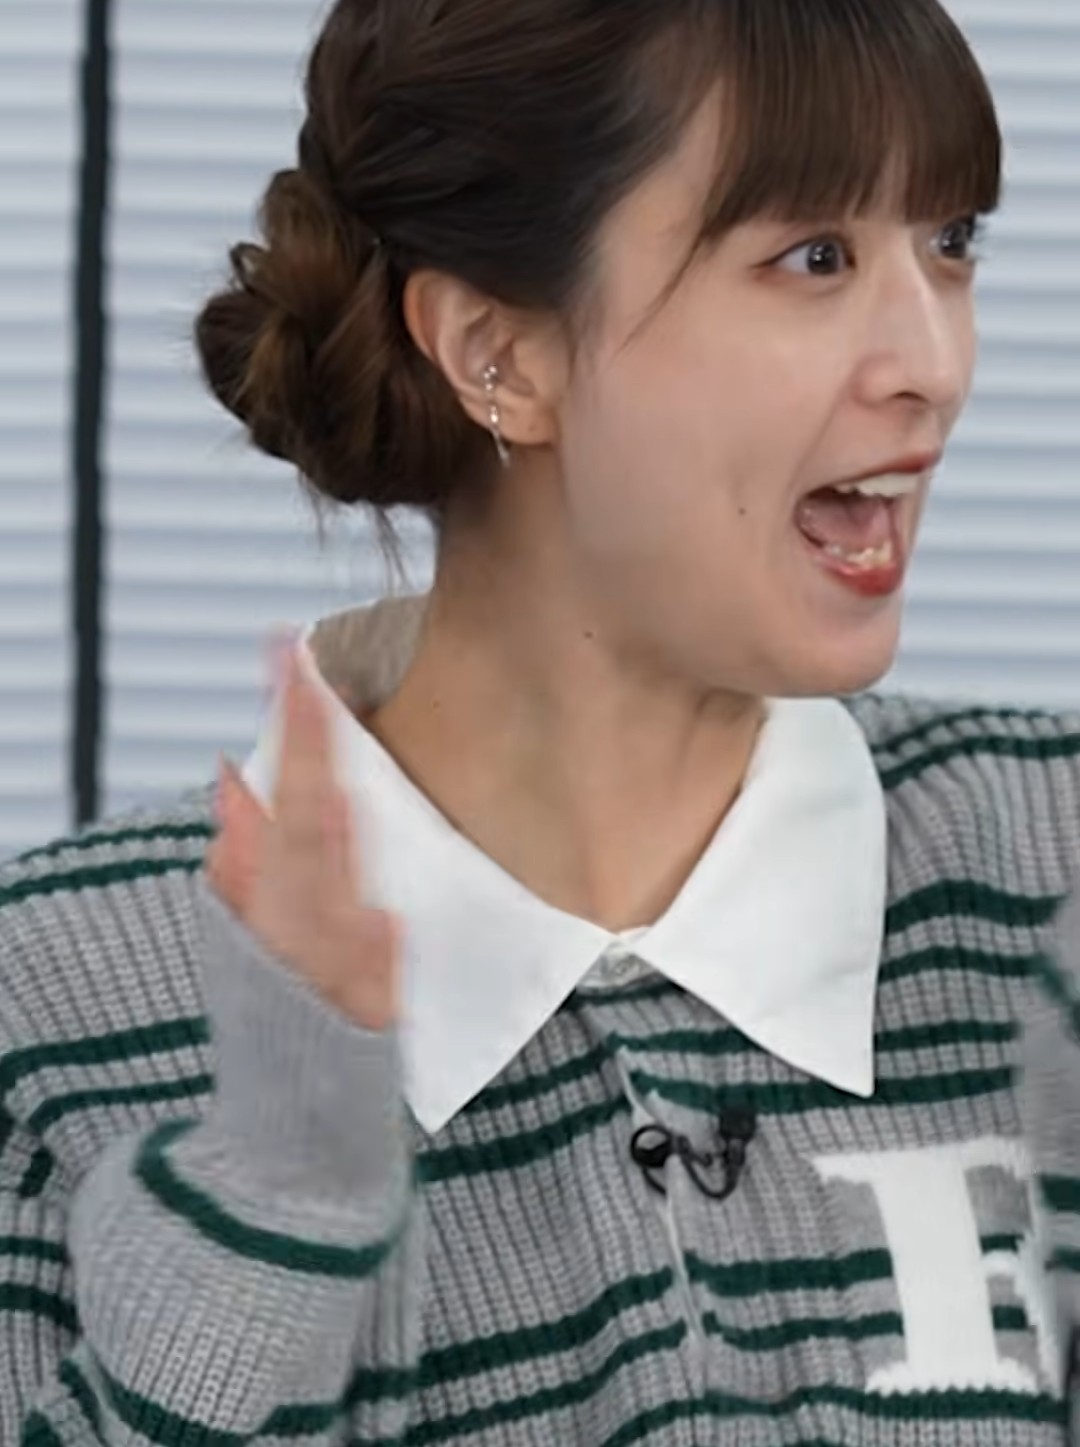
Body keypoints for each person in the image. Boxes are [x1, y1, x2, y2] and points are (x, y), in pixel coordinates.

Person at [3, 0, 1080, 1441]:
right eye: (814, 258)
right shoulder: (51, 1008)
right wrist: (274, 1209)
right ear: (496, 352)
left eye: (950, 244)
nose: (934, 362)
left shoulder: (1051, 872)